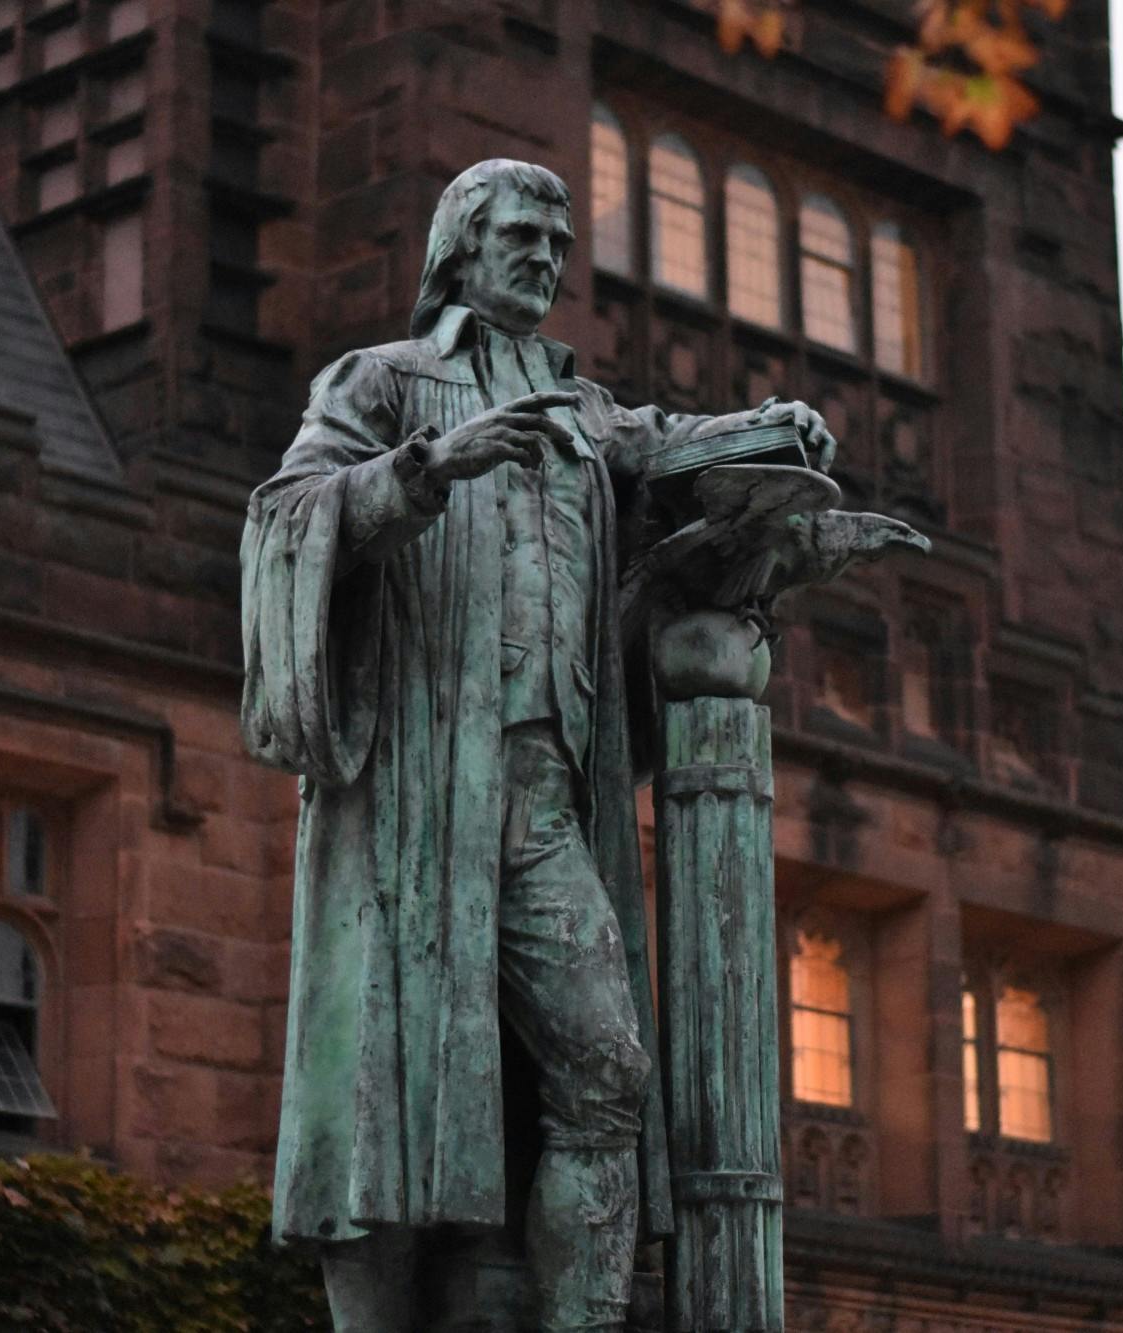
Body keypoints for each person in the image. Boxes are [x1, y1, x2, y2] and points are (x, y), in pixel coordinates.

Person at [239, 158, 834, 1332]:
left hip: (549, 802)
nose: (546, 258)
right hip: (418, 798)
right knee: (385, 1103)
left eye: (560, 243)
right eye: (522, 234)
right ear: (459, 245)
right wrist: (426, 469)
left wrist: (774, 427)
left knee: (606, 1072)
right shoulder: (382, 381)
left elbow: (672, 447)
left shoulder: (582, 412)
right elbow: (279, 520)